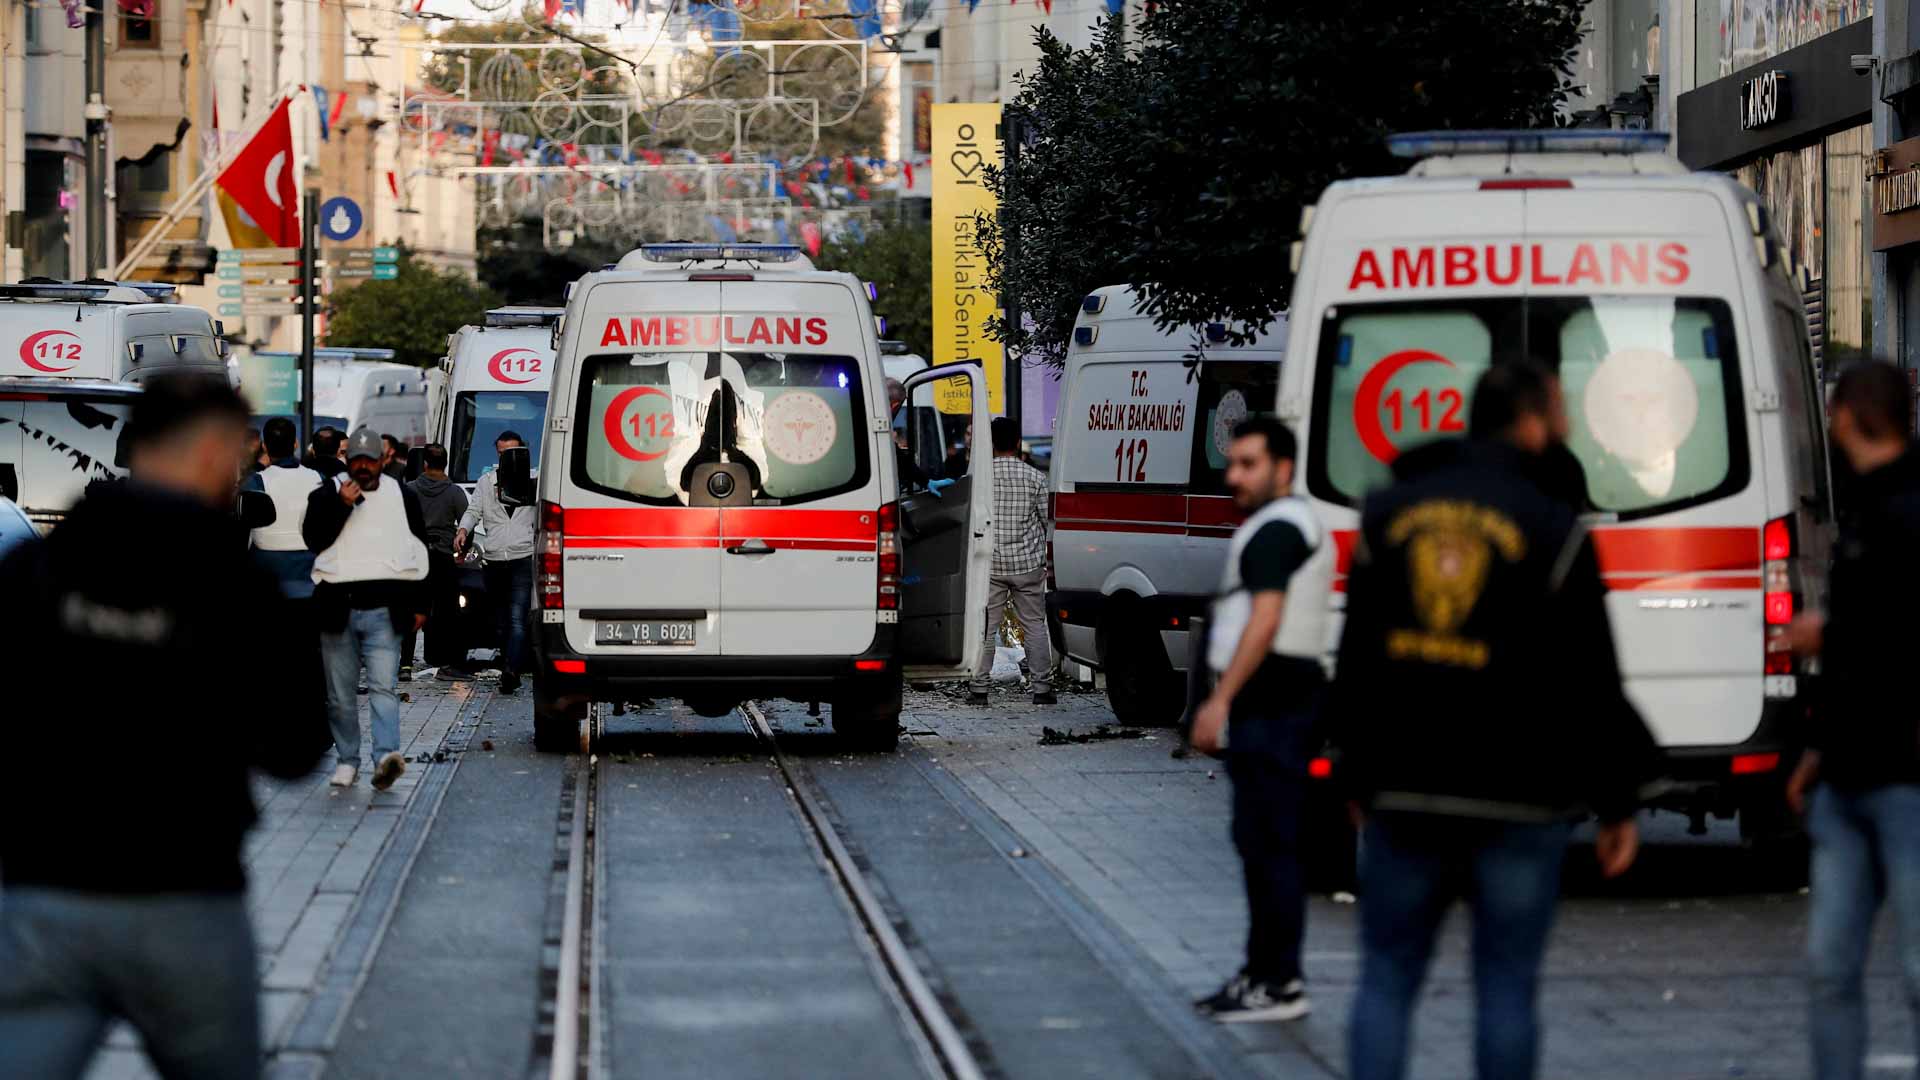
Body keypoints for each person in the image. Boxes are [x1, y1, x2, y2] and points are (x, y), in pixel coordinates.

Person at [1329, 361, 1655, 1080]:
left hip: (1405, 787)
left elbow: (1357, 658)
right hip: (1520, 795)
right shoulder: (1554, 525)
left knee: (1386, 978)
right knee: (1505, 987)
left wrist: (1352, 771)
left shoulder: (1390, 511)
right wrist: (1618, 802)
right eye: (1562, 409)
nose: (1568, 423)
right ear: (1533, 420)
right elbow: (1591, 679)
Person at [0, 374, 330, 1078]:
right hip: (187, 895)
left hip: (43, 893)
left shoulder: (34, 570)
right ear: (213, 454)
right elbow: (298, 749)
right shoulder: (241, 592)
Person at [1787, 360, 1920, 1080]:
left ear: (1852, 415)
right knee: (1828, 966)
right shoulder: (1864, 503)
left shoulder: (1904, 508)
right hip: (1848, 772)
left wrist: (1828, 636)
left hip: (1907, 774)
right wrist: (1816, 748)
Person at [1189, 416, 1332, 1023]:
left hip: (1274, 707)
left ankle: (1277, 981)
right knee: (1264, 843)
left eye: (1249, 464)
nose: (1234, 476)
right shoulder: (1286, 524)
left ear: (1283, 468)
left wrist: (1221, 700)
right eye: (1233, 463)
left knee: (1269, 845)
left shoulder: (1277, 531)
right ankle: (1264, 973)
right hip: (1279, 705)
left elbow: (1266, 618)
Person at [305, 426, 432, 790]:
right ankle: (347, 759)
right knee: (340, 695)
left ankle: (385, 757)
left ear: (383, 460)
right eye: (355, 460)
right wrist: (341, 506)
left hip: (384, 610)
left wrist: (422, 603)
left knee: (383, 688)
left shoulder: (402, 496)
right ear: (347, 460)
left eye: (369, 460)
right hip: (337, 609)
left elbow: (418, 548)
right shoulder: (328, 494)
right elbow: (314, 538)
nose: (362, 467)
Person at [968, 417, 1054, 706]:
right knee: (1034, 625)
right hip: (1027, 566)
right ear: (1018, 443)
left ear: (991, 443)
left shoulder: (979, 479)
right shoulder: (1036, 478)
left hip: (989, 566)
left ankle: (979, 688)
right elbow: (1047, 523)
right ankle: (1042, 689)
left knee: (985, 627)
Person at [457, 429, 537, 694]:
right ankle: (509, 660)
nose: (506, 459)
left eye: (512, 453)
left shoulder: (535, 480)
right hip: (494, 559)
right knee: (501, 620)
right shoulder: (486, 482)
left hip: (522, 557)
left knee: (517, 617)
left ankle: (511, 670)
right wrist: (463, 530)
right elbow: (473, 511)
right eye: (502, 454)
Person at [408, 443, 471, 682]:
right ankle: (445, 661)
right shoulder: (454, 492)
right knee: (447, 610)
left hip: (416, 556)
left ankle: (405, 663)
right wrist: (461, 549)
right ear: (445, 463)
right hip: (444, 557)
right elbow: (466, 521)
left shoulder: (410, 489)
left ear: (424, 463)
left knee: (414, 606)